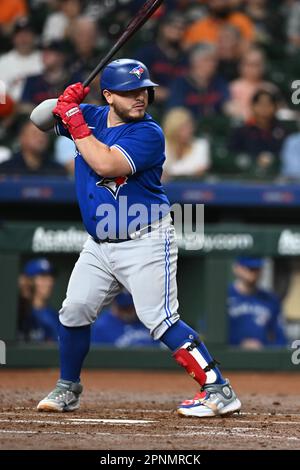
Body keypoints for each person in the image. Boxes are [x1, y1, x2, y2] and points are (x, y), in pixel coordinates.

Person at [32, 58, 241, 417]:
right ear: (109, 95)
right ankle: (68, 388)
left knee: (160, 319)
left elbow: (106, 165)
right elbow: (38, 119)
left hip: (144, 238)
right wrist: (64, 101)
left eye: (144, 90)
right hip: (99, 244)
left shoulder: (148, 132)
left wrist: (75, 120)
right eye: (129, 92)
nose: (140, 98)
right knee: (74, 310)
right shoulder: (94, 116)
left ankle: (219, 390)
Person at [228, 257, 287, 349]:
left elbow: (280, 338)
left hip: (262, 358)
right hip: (228, 358)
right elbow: (211, 335)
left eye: (257, 268)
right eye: (249, 268)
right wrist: (239, 344)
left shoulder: (270, 299)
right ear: (237, 268)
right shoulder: (223, 296)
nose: (253, 272)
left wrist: (265, 348)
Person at [228, 89, 289, 177]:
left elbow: (286, 155)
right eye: (260, 104)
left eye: (268, 105)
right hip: (246, 175)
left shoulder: (283, 131)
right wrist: (253, 160)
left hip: (276, 176)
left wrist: (272, 159)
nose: (264, 108)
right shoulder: (241, 131)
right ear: (252, 106)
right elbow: (232, 154)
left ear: (275, 107)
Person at [91, 291, 160, 348]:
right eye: (124, 308)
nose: (127, 313)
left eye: (130, 308)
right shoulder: (102, 326)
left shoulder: (148, 321)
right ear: (114, 305)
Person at [0, 121, 66, 175]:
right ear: (22, 138)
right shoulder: (6, 169)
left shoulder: (57, 170)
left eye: (44, 135)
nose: (40, 139)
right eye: (35, 134)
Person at [162, 107, 210, 179]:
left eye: (190, 126)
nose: (189, 130)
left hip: (192, 187)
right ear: (174, 129)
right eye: (183, 128)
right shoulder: (161, 145)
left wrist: (170, 173)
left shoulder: (201, 145)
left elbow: (200, 172)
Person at [18, 258, 59, 342]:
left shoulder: (54, 316)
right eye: (43, 277)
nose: (49, 282)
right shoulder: (18, 313)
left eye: (50, 277)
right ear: (28, 281)